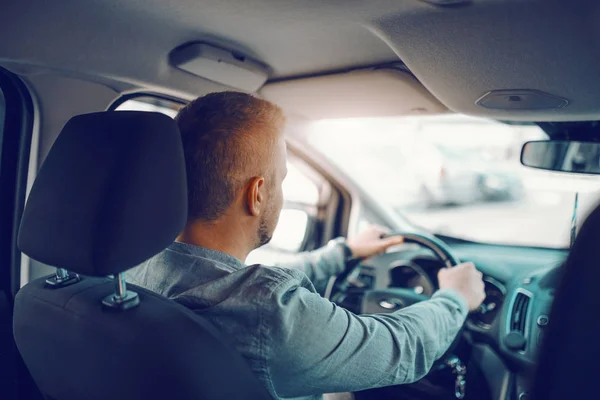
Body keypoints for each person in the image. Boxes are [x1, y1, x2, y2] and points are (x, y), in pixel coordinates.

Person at [128, 92, 485, 400]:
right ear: (258, 193)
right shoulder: (268, 315)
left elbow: (235, 286)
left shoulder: (130, 265)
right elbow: (401, 346)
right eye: (281, 179)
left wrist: (343, 253)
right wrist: (454, 298)